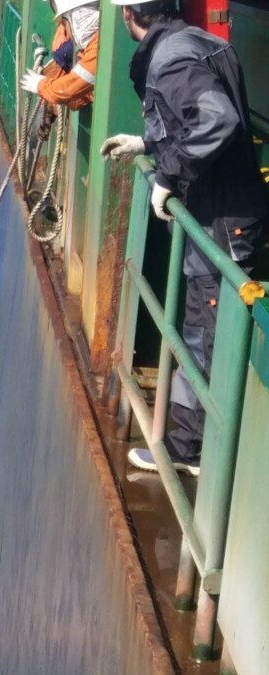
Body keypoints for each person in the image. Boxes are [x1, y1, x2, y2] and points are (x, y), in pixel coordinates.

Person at [101, 0, 266, 476]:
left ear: (129, 13)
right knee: (202, 323)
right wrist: (148, 143)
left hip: (221, 215)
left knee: (205, 329)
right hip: (227, 207)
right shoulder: (199, 40)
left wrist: (169, 174)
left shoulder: (170, 58)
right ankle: (193, 443)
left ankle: (190, 451)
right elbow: (195, 114)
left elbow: (216, 120)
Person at [21, 0, 101, 110]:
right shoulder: (97, 43)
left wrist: (40, 85)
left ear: (78, 19)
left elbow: (70, 88)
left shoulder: (98, 48)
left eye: (64, 22)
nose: (67, 32)